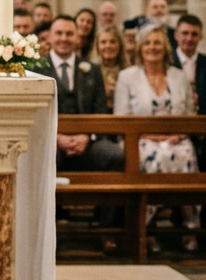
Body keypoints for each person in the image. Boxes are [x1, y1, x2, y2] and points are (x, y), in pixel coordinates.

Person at [114, 26, 199, 253]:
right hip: (140, 140)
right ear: (141, 48)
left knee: (186, 154)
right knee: (156, 157)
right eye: (148, 43)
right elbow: (121, 117)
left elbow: (189, 114)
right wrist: (153, 135)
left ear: (166, 48)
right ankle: (146, 228)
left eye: (158, 43)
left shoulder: (178, 76)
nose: (153, 47)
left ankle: (189, 226)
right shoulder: (127, 76)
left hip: (176, 140)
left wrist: (177, 134)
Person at [33, 15, 124, 171]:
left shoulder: (92, 70)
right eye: (59, 33)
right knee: (45, 157)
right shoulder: (36, 69)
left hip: (87, 141)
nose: (64, 38)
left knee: (115, 155)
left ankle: (105, 196)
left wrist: (87, 137)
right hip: (50, 140)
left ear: (77, 38)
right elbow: (33, 113)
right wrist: (56, 138)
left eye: (69, 34)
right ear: (49, 37)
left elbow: (100, 110)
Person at [91, 25, 129, 111]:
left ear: (120, 45)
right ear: (97, 46)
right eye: (103, 42)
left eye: (112, 42)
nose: (108, 46)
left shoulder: (128, 72)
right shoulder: (90, 72)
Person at [175, 14, 206, 113]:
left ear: (201, 36)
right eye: (185, 33)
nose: (189, 38)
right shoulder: (166, 63)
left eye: (194, 34)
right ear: (176, 35)